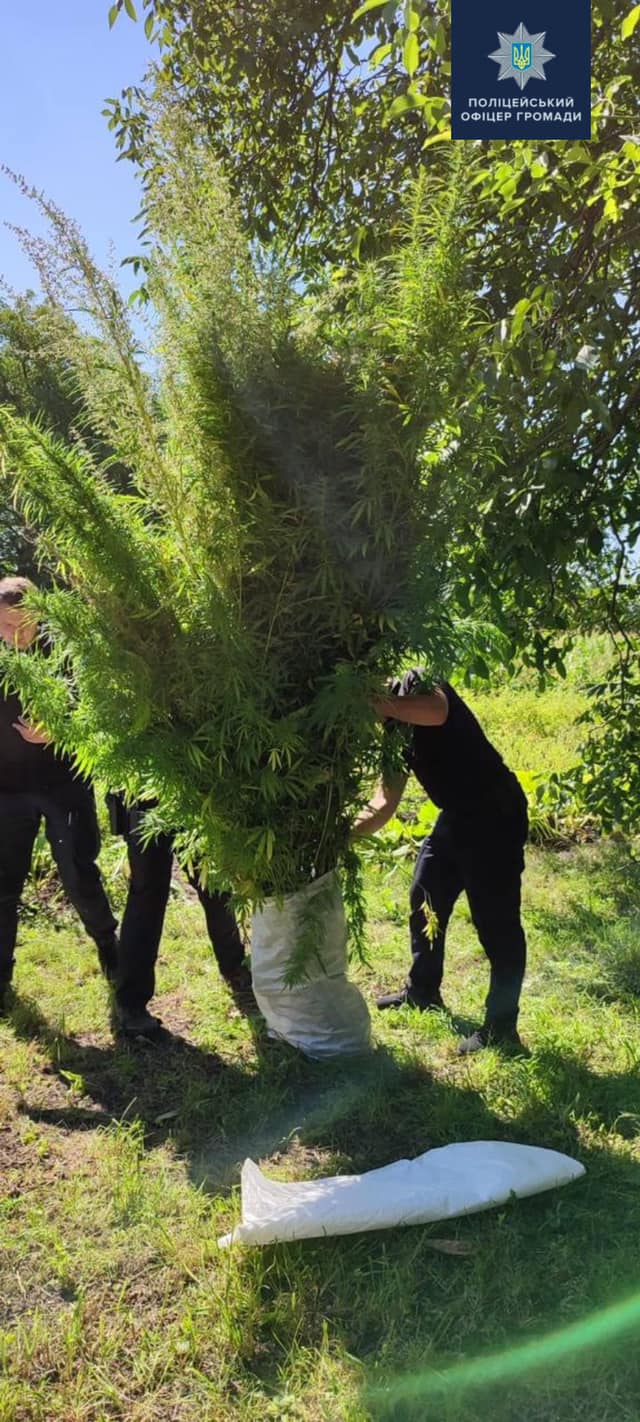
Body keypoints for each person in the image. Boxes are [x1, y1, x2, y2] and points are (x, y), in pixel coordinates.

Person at [353, 669, 528, 1054]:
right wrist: (343, 833)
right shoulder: (392, 735)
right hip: (457, 815)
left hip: (495, 811)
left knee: (496, 925)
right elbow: (385, 803)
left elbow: (437, 711)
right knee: (425, 893)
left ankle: (502, 1029)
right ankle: (423, 991)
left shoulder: (417, 682)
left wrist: (372, 704)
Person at [0, 576, 118, 1011]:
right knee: (3, 885)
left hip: (63, 783)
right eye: (7, 626)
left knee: (78, 871)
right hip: (6, 791)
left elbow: (97, 710)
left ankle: (108, 944)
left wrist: (59, 729)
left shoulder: (65, 653)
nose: (17, 635)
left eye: (24, 625)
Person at [107, 792, 254, 1037]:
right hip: (143, 792)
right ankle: (130, 1003)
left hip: (194, 790)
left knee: (215, 887)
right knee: (147, 895)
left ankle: (234, 966)